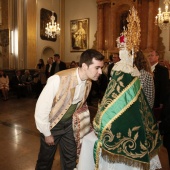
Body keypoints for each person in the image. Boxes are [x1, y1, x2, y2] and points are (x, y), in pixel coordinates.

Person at [93, 7, 162, 170]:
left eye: (123, 51)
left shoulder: (139, 74)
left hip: (138, 118)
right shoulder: (123, 71)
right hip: (126, 119)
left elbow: (149, 99)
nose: (120, 55)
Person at [34, 49, 104, 170]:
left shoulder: (89, 82)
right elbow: (41, 109)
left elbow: (78, 105)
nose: (101, 72)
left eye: (101, 68)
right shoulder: (58, 79)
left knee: (70, 159)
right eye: (97, 67)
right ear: (84, 66)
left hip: (68, 126)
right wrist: (47, 133)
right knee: (45, 161)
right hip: (52, 125)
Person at [148, 50, 169, 121]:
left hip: (156, 99)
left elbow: (164, 87)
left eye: (152, 55)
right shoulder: (146, 69)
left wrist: (161, 102)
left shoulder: (163, 70)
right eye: (149, 55)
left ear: (157, 57)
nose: (150, 57)